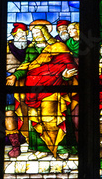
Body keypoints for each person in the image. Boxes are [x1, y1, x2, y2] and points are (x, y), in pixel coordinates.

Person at [7, 19, 78, 158]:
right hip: (33, 89)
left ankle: (61, 148)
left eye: (38, 32)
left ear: (45, 32)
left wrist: (65, 76)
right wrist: (15, 76)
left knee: (53, 117)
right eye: (33, 32)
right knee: (35, 117)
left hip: (54, 88)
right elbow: (26, 66)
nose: (35, 35)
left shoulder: (59, 47)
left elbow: (67, 65)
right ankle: (41, 148)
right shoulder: (31, 48)